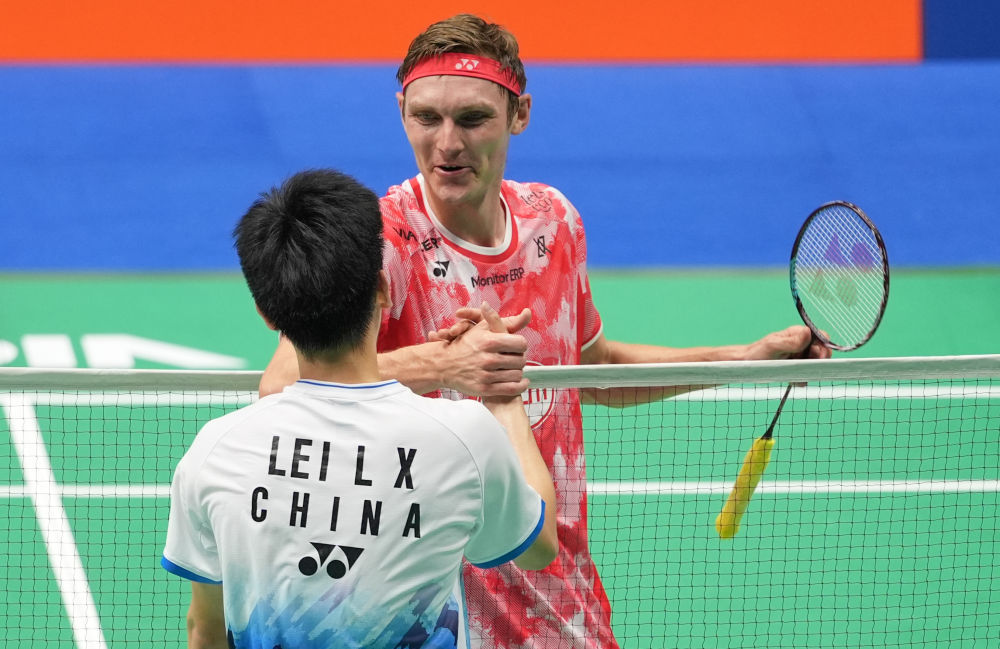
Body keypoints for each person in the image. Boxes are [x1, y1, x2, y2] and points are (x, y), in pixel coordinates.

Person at [259, 14, 831, 649]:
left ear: (519, 115)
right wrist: (445, 367)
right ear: (401, 111)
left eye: (472, 119)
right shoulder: (379, 242)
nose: (447, 143)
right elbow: (280, 389)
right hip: (430, 611)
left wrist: (743, 358)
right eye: (426, 117)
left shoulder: (552, 223)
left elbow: (594, 369)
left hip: (556, 596)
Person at [161, 168, 558, 649]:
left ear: (267, 314)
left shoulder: (217, 451)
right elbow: (539, 547)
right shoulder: (464, 438)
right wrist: (503, 395)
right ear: (383, 288)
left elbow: (204, 628)